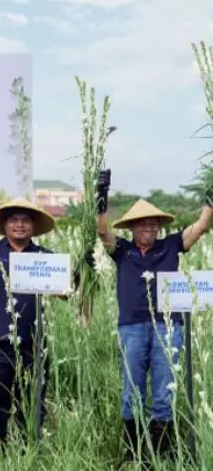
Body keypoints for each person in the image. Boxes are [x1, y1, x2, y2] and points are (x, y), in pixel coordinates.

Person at [95, 169, 213, 461]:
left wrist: (210, 201)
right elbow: (102, 232)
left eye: (153, 224)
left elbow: (199, 227)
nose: (148, 228)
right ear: (132, 228)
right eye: (141, 224)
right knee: (132, 392)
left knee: (164, 393)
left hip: (168, 327)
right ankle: (134, 454)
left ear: (159, 227)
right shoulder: (121, 250)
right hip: (131, 329)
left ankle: (159, 456)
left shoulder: (171, 245)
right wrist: (101, 198)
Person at [0, 197, 91, 450]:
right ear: (5, 225)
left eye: (25, 220)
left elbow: (66, 291)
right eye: (14, 220)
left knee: (32, 399)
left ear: (33, 226)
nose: (19, 225)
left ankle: (28, 448)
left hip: (35, 342)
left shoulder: (43, 257)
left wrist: (83, 268)